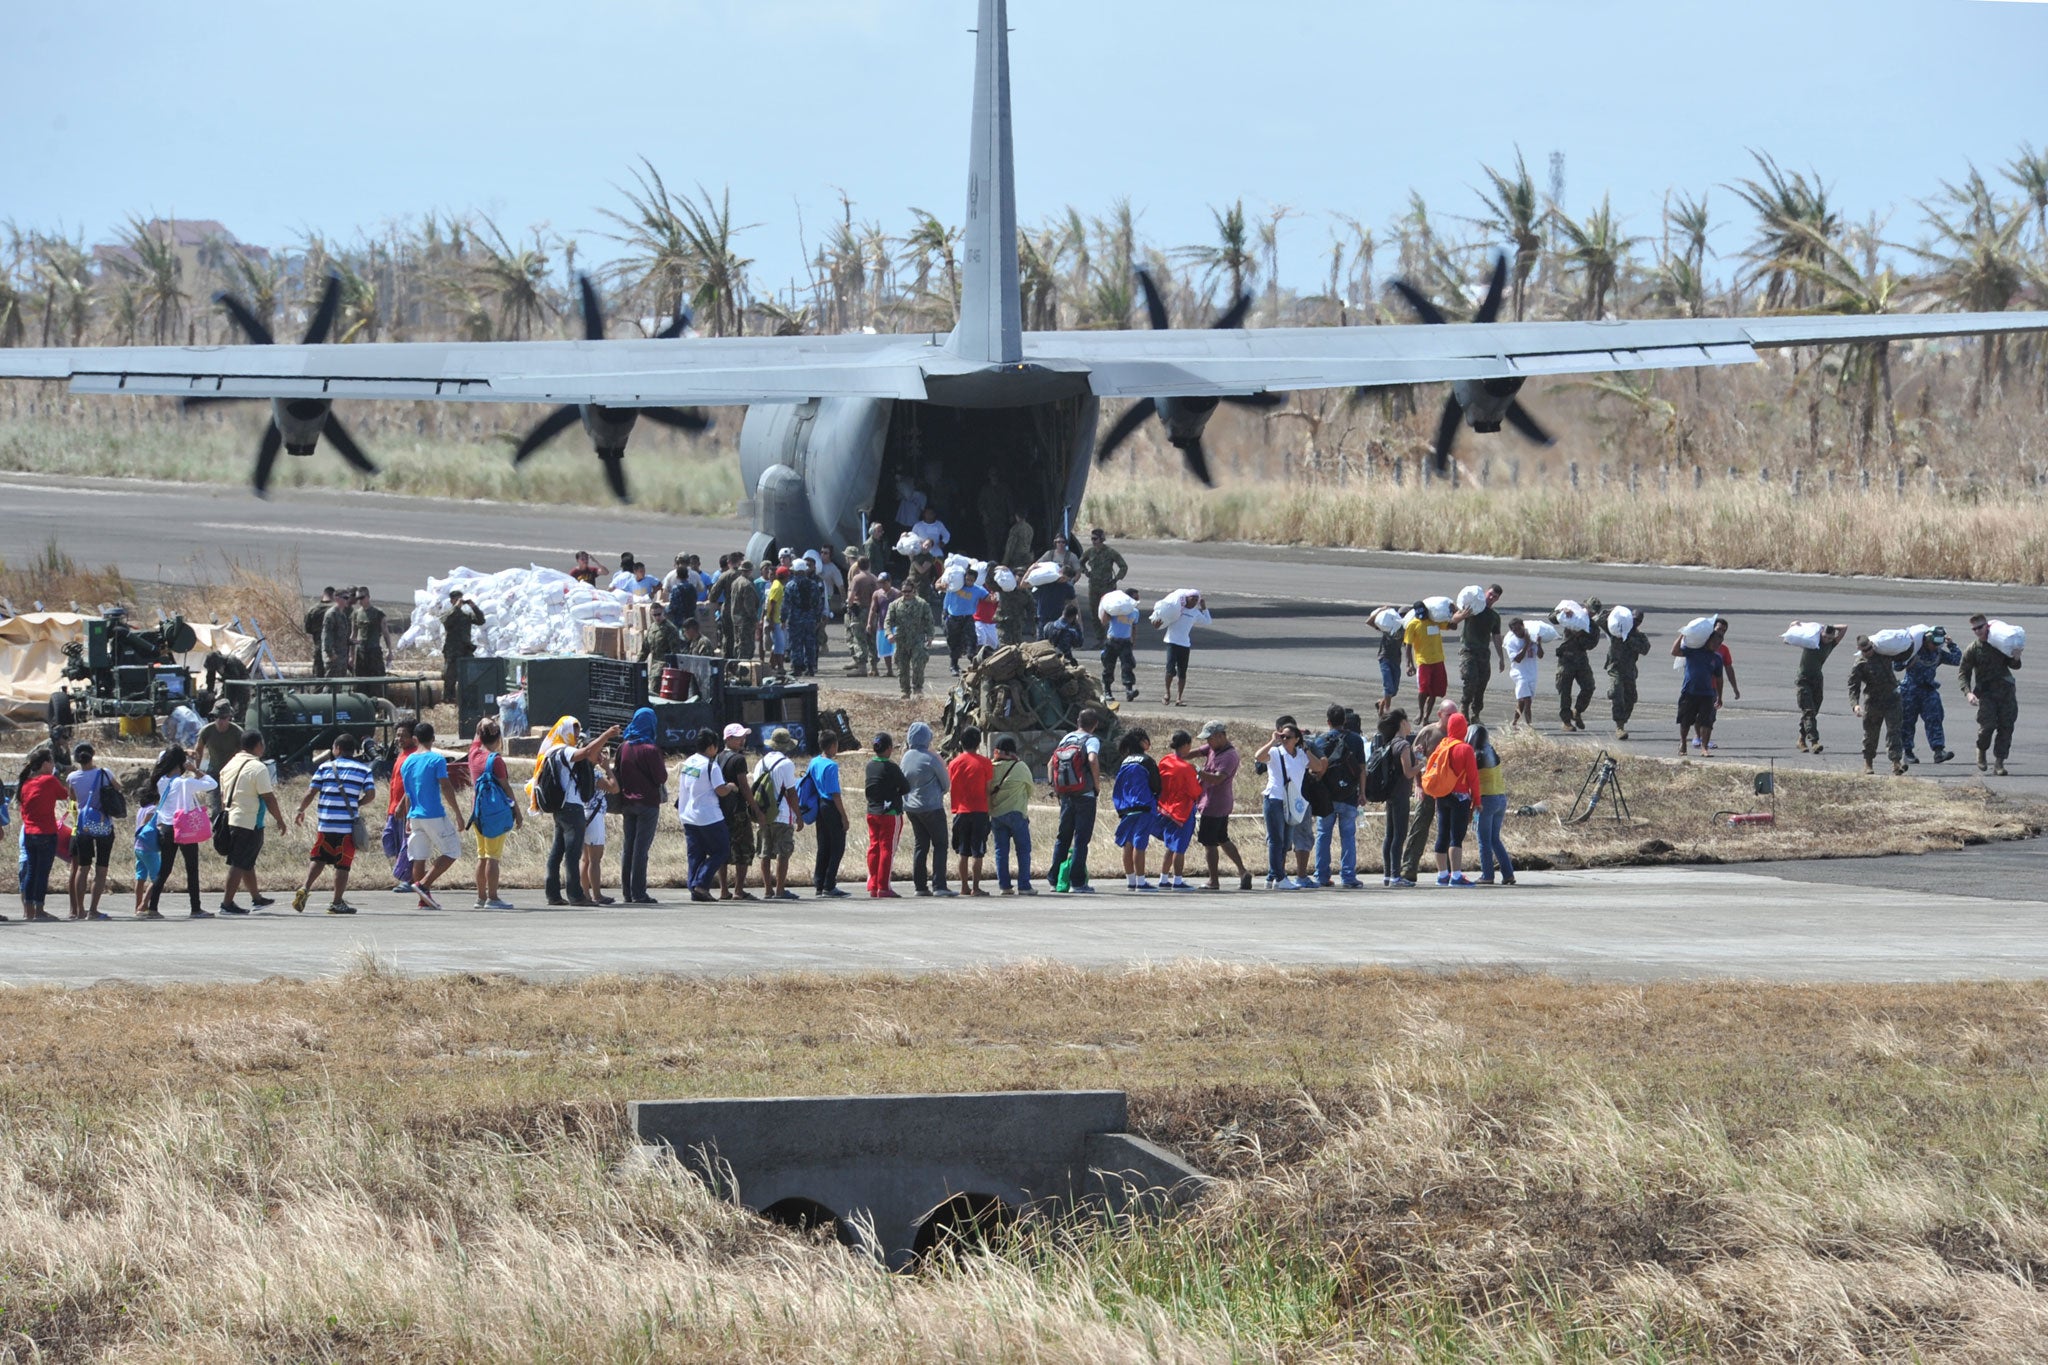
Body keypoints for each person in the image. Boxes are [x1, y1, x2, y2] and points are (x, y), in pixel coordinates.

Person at [531, 717, 615, 907]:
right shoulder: (565, 750)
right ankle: (576, 895)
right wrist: (607, 735)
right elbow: (586, 752)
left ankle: (553, 894)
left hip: (560, 808)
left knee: (557, 852)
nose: (577, 735)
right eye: (574, 730)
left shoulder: (551, 750)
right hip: (571, 807)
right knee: (572, 853)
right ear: (564, 730)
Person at [292, 732, 374, 914]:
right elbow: (371, 795)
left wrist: (300, 810)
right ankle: (336, 902)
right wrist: (357, 804)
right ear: (354, 751)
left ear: (336, 749)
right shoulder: (364, 770)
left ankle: (305, 887)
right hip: (346, 827)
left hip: (326, 824)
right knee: (342, 865)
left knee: (319, 858)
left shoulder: (324, 768)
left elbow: (310, 793)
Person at [400, 722, 468, 910]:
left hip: (415, 815)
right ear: (433, 738)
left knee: (419, 856)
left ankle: (424, 899)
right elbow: (445, 786)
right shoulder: (436, 759)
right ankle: (424, 884)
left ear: (415, 739)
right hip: (433, 814)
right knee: (453, 850)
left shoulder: (407, 762)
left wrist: (407, 818)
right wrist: (458, 813)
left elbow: (408, 792)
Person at [216, 730, 284, 914]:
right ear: (258, 745)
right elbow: (268, 797)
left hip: (231, 817)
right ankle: (227, 904)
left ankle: (256, 898)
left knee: (246, 861)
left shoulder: (231, 764)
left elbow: (223, 795)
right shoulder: (257, 767)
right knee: (238, 862)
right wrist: (280, 820)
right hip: (248, 821)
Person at [147, 746, 216, 919]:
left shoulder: (161, 781)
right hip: (185, 828)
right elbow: (212, 784)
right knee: (192, 869)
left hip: (167, 828)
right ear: (181, 763)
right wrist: (195, 770)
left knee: (165, 870)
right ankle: (195, 908)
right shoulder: (185, 783)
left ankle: (152, 907)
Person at [1255, 721, 1320, 889]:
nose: (1284, 739)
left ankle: (1274, 877)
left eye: (1287, 737)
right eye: (1282, 736)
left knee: (1286, 842)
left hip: (1292, 802)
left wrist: (1306, 749)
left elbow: (1318, 767)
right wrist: (1272, 741)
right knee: (1276, 840)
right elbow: (1259, 756)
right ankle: (1280, 877)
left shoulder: (1300, 755)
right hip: (1275, 798)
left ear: (1297, 739)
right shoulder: (1276, 752)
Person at [1047, 707, 1105, 895]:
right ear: (1095, 725)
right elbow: (1092, 759)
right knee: (1081, 839)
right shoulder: (1092, 740)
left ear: (1077, 722)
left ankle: (1055, 880)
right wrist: (1096, 785)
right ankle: (1077, 882)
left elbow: (1050, 763)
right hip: (1085, 795)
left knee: (1062, 837)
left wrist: (1055, 787)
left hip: (1066, 795)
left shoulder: (1066, 738)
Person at [466, 718, 522, 910]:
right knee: (493, 857)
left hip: (477, 812)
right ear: (498, 739)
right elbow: (506, 787)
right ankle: (493, 897)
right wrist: (517, 810)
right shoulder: (495, 760)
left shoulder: (473, 754)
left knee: (481, 856)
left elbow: (477, 732)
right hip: (495, 814)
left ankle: (481, 897)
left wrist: (482, 722)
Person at [1399, 707, 1457, 885]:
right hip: (1429, 787)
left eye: (1454, 715)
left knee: (1447, 829)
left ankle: (1448, 868)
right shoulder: (1428, 732)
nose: (1452, 718)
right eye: (1449, 715)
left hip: (1449, 789)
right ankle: (1409, 867)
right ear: (1440, 715)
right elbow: (1416, 758)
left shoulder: (1458, 732)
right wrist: (1418, 784)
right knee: (1420, 826)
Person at [1191, 720, 1251, 891]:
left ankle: (1213, 881)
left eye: (1209, 738)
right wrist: (1178, 756)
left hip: (1214, 804)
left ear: (1220, 736)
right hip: (1216, 802)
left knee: (1210, 844)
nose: (1207, 742)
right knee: (1222, 838)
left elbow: (1218, 779)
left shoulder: (1229, 756)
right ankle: (1242, 871)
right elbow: (1195, 752)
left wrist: (1197, 772)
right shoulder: (1213, 748)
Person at [1310, 705, 1366, 889]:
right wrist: (1362, 793)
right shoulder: (1356, 740)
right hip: (1349, 795)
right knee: (1348, 836)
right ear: (1344, 721)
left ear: (1328, 722)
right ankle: (1349, 876)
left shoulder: (1320, 741)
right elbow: (1362, 770)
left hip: (1326, 796)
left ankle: (1322, 875)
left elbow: (1316, 768)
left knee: (1323, 835)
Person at [616, 707, 667, 904]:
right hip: (648, 803)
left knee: (628, 847)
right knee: (641, 849)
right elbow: (661, 777)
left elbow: (617, 770)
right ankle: (639, 892)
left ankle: (627, 892)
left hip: (627, 802)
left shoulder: (624, 747)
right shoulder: (651, 749)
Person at [1959, 614, 2021, 776]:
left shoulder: (1999, 644)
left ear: (1987, 626)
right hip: (1986, 693)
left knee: (2006, 726)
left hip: (2006, 691)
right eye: (1974, 629)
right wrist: (1968, 693)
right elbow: (1963, 673)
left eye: (1980, 627)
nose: (1978, 631)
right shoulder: (1973, 649)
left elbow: (2014, 665)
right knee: (1987, 727)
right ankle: (1981, 750)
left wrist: (2016, 657)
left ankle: (1999, 763)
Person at [895, 721, 952, 896]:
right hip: (932, 806)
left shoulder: (905, 757)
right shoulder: (931, 757)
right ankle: (939, 885)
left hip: (911, 808)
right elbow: (946, 783)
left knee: (921, 844)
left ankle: (920, 886)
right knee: (940, 844)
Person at [676, 729, 732, 903]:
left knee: (695, 854)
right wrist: (731, 786)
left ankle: (694, 887)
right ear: (711, 747)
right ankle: (701, 883)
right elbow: (721, 791)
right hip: (709, 816)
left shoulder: (689, 762)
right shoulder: (711, 766)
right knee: (722, 850)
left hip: (688, 815)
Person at [64, 742, 117, 920]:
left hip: (83, 825)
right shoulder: (105, 773)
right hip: (103, 823)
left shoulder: (72, 777)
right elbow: (118, 788)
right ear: (93, 755)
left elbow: (72, 798)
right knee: (101, 869)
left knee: (82, 868)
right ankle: (93, 910)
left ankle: (80, 910)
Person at [1428, 712, 1480, 887]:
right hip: (1460, 797)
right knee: (1456, 837)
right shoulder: (1465, 749)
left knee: (1442, 834)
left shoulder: (1442, 745)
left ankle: (1442, 875)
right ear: (1464, 728)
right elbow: (1473, 778)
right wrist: (1477, 801)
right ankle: (1456, 876)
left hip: (1442, 795)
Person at [753, 727, 805, 902]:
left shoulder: (760, 763)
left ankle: (768, 890)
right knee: (784, 852)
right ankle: (780, 889)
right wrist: (799, 815)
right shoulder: (786, 764)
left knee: (765, 852)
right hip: (782, 814)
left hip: (764, 814)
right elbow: (791, 793)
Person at [1897, 628, 1962, 764]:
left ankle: (1939, 751)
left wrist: (1952, 645)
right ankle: (1908, 753)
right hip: (1910, 691)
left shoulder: (1938, 653)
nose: (1935, 647)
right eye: (1934, 643)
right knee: (1907, 722)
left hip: (1928, 690)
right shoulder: (1914, 651)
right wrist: (1905, 658)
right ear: (1926, 640)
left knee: (1935, 719)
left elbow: (1956, 660)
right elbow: (1897, 666)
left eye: (1938, 644)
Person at [15, 748, 66, 922]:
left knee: (31, 872)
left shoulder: (26, 783)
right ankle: (39, 909)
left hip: (29, 833)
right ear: (45, 764)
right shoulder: (49, 781)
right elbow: (64, 794)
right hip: (46, 832)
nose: (52, 765)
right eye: (51, 762)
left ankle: (29, 910)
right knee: (42, 873)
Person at [714, 724, 762, 899]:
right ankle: (739, 890)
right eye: (738, 737)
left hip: (720, 810)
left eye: (743, 737)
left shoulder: (717, 758)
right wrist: (755, 808)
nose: (742, 740)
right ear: (728, 739)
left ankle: (723, 889)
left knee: (723, 850)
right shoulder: (738, 759)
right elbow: (744, 786)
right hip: (738, 811)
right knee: (744, 849)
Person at [1373, 710, 1420, 888]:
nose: (1409, 724)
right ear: (1402, 723)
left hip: (1390, 793)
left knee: (1389, 835)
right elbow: (1408, 772)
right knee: (1399, 836)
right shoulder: (1403, 745)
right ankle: (1395, 876)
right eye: (1407, 721)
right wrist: (1421, 765)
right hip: (1401, 794)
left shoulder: (1391, 743)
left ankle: (1387, 875)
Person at [1110, 728, 1161, 891]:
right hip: (1144, 805)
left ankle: (1131, 881)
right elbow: (1157, 785)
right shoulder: (1147, 761)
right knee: (1140, 843)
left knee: (1128, 843)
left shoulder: (1125, 761)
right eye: (1147, 740)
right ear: (1141, 742)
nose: (1149, 743)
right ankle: (1141, 881)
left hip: (1126, 807)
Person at [1847, 636, 1906, 776]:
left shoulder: (1884, 653)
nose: (1868, 652)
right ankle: (1868, 763)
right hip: (1873, 702)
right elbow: (1853, 686)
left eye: (1869, 648)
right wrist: (1854, 705)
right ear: (1860, 650)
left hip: (1892, 699)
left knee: (1894, 731)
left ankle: (1896, 763)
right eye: (1865, 650)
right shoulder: (1860, 664)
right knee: (1871, 734)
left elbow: (1901, 654)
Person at [947, 725, 994, 896]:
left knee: (962, 852)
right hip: (980, 810)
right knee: (978, 852)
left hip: (960, 811)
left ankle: (963, 886)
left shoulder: (953, 763)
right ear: (978, 743)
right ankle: (975, 887)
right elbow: (988, 788)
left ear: (961, 742)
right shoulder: (985, 763)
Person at [987, 733, 1035, 896]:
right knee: (1023, 850)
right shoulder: (1020, 767)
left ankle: (1004, 886)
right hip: (1016, 812)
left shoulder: (990, 767)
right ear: (1011, 752)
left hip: (996, 814)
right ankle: (1024, 885)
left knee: (1001, 850)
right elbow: (1030, 790)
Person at [1450, 585, 1506, 721]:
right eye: (1491, 594)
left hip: (1483, 653)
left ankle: (1476, 714)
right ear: (1486, 592)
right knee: (1470, 679)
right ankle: (1464, 707)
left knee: (1482, 684)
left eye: (1495, 597)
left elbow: (1497, 637)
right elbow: (1454, 619)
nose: (1492, 598)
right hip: (1468, 650)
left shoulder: (1494, 616)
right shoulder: (1473, 607)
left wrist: (1501, 658)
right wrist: (1462, 615)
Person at [1791, 622, 1849, 754]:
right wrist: (1797, 625)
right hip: (1803, 679)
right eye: (1825, 637)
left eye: (1829, 637)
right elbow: (1792, 636)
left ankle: (1801, 738)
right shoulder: (1811, 641)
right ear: (1820, 634)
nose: (1827, 639)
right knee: (1809, 711)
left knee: (1814, 710)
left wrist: (1829, 626)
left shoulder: (1831, 644)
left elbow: (1844, 627)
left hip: (1817, 679)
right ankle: (1814, 741)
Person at [1154, 730, 1201, 891]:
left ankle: (1164, 877)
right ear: (1186, 745)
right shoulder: (1186, 768)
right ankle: (1178, 880)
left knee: (1171, 845)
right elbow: (1195, 792)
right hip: (1182, 810)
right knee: (1179, 847)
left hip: (1164, 807)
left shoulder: (1165, 760)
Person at [1470, 722, 1516, 886]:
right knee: (1495, 839)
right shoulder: (1492, 751)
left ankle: (1487, 875)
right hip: (1500, 798)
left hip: (1486, 799)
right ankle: (1508, 874)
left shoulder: (1477, 755)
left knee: (1483, 840)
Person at [863, 732, 908, 898]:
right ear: (888, 748)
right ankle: (884, 886)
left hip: (872, 811)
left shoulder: (870, 766)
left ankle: (873, 883)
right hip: (890, 812)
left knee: (874, 846)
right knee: (887, 849)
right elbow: (906, 787)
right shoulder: (891, 767)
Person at [807, 730, 851, 897]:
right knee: (837, 846)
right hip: (830, 805)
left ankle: (819, 883)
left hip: (819, 805)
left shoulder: (814, 762)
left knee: (823, 845)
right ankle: (829, 884)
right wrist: (844, 816)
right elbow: (835, 793)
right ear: (833, 746)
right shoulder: (831, 766)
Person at [1673, 630, 1725, 756]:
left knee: (1707, 722)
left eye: (1719, 644)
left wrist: (1719, 697)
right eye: (1714, 642)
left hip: (1707, 694)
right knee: (1685, 721)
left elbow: (1719, 679)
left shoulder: (1717, 658)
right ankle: (1683, 743)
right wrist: (1682, 635)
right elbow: (1674, 652)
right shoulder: (1693, 651)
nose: (1716, 646)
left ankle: (1704, 748)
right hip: (1689, 692)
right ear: (1708, 640)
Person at [1693, 618, 1741, 751]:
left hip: (1712, 688)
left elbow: (1729, 668)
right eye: (1719, 629)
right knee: (1697, 715)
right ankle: (1697, 737)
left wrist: (1735, 688)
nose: (1721, 632)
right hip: (1697, 685)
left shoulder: (1724, 650)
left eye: (1724, 630)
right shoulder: (1700, 644)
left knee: (1709, 716)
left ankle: (1704, 740)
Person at [1604, 608, 1652, 740]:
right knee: (1617, 692)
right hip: (1615, 668)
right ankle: (1619, 727)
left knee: (1630, 698)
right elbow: (1599, 619)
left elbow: (1645, 649)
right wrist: (1612, 612)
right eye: (1634, 619)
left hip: (1629, 670)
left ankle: (1623, 721)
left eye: (1639, 620)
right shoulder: (1616, 630)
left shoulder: (1638, 636)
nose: (1636, 622)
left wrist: (1630, 637)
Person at [1551, 606, 1599, 732]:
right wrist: (1561, 612)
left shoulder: (1592, 626)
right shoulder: (1573, 616)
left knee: (1589, 686)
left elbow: (1591, 644)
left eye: (1593, 611)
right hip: (1566, 659)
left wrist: (1579, 635)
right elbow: (1552, 618)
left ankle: (1577, 710)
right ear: (1585, 607)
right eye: (1589, 609)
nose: (1590, 613)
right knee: (1564, 690)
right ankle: (1566, 721)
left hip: (1581, 660)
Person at [884, 581, 936, 697]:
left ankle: (917, 689)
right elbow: (888, 621)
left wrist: (930, 636)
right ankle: (905, 690)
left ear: (914, 590)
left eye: (908, 591)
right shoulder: (895, 605)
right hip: (901, 639)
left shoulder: (922, 604)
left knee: (918, 665)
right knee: (902, 667)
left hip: (917, 639)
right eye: (904, 591)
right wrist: (888, 634)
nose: (906, 594)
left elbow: (929, 621)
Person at [1160, 593, 1211, 707]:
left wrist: (1204, 608)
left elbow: (1208, 621)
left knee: (1182, 672)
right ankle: (1167, 693)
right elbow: (1164, 616)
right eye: (1192, 599)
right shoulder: (1178, 609)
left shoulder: (1195, 613)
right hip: (1171, 642)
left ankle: (1179, 698)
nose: (1194, 602)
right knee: (1170, 670)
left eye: (1196, 600)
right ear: (1187, 599)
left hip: (1184, 644)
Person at [1081, 528, 1129, 647]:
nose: (1093, 541)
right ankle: (1100, 639)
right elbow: (1080, 562)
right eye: (1092, 539)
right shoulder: (1090, 552)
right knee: (1094, 613)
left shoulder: (1110, 552)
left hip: (1107, 587)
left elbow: (1123, 566)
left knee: (1110, 612)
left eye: (1095, 539)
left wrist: (1116, 578)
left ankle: (1111, 637)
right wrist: (1086, 572)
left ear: (1101, 539)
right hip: (1094, 587)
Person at [1403, 605, 1448, 724]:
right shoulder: (1413, 624)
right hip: (1423, 662)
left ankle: (1426, 717)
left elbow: (1452, 626)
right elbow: (1408, 646)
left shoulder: (1435, 620)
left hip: (1438, 660)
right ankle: (1421, 711)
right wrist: (1409, 664)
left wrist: (1455, 613)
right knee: (1423, 689)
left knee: (1434, 691)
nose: (1422, 617)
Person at [784, 560, 826, 677]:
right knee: (810, 643)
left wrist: (783, 618)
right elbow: (818, 603)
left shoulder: (790, 585)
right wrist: (818, 618)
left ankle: (797, 667)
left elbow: (786, 604)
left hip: (795, 619)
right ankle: (810, 668)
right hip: (810, 618)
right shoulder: (813, 584)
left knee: (796, 643)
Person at [943, 566, 987, 675]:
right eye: (967, 579)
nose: (969, 582)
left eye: (971, 580)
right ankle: (954, 665)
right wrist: (944, 611)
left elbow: (987, 597)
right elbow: (947, 597)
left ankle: (974, 663)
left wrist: (993, 598)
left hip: (968, 618)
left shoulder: (978, 590)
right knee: (954, 642)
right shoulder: (956, 586)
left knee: (971, 640)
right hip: (954, 618)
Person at [196, 707, 245, 806]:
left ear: (229, 717)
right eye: (216, 717)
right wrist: (197, 769)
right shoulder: (207, 731)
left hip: (232, 773)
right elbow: (198, 750)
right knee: (215, 808)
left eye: (223, 717)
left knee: (231, 806)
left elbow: (244, 753)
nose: (219, 720)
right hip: (214, 773)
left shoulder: (237, 732)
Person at [441, 590, 485, 692]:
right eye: (456, 599)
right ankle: (449, 697)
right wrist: (456, 607)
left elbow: (481, 621)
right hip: (452, 649)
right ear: (451, 601)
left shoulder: (466, 615)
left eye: (460, 599)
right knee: (450, 675)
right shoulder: (447, 614)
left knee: (470, 674)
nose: (459, 601)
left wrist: (473, 607)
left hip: (465, 648)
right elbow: (447, 622)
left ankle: (468, 696)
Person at [1099, 593, 1139, 701]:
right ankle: (1107, 691)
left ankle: (1129, 691)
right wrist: (1105, 608)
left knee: (1128, 666)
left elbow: (1134, 627)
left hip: (1125, 642)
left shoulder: (1135, 612)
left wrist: (1132, 641)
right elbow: (1103, 622)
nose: (1136, 601)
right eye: (1135, 598)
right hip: (1112, 641)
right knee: (1108, 667)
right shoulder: (1115, 610)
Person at [845, 556, 880, 676]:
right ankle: (874, 667)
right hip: (872, 610)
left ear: (858, 566)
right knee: (872, 638)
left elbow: (851, 596)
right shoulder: (874, 578)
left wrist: (849, 606)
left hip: (860, 610)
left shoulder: (857, 578)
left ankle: (862, 667)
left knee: (859, 638)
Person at [1505, 618, 1541, 731]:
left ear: (1523, 626)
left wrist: (1538, 644)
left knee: (1522, 702)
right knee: (1527, 701)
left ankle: (1514, 722)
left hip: (1531, 673)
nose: (1517, 631)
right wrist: (1526, 644)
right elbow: (1518, 659)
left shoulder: (1532, 638)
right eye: (1514, 630)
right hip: (1519, 674)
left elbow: (1540, 655)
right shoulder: (1511, 642)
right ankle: (1530, 726)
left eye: (1519, 628)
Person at [352, 587, 390, 684]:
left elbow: (385, 633)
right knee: (360, 681)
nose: (360, 601)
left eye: (362, 598)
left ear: (368, 597)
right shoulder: (356, 614)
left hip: (374, 651)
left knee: (376, 680)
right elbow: (354, 635)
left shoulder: (378, 614)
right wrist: (351, 655)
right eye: (358, 599)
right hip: (361, 651)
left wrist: (389, 650)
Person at [727, 560, 762, 661]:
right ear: (750, 570)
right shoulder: (747, 585)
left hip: (736, 618)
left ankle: (737, 665)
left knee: (738, 644)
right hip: (745, 621)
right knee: (746, 646)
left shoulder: (736, 582)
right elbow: (749, 606)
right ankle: (743, 669)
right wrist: (755, 620)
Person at [868, 574, 898, 678]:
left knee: (897, 649)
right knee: (885, 650)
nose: (882, 585)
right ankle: (889, 670)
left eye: (883, 582)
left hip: (895, 625)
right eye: (880, 583)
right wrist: (869, 623)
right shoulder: (877, 594)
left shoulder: (896, 593)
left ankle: (900, 670)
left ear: (889, 582)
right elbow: (873, 609)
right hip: (882, 625)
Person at [997, 569, 1036, 648]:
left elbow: (1031, 609)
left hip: (1017, 623)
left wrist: (1032, 626)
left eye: (1023, 575)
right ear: (1014, 577)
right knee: (1004, 645)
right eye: (1019, 575)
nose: (1021, 577)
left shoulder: (1026, 593)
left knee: (1018, 646)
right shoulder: (1005, 588)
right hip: (1004, 621)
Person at [322, 587, 356, 677]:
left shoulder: (342, 614)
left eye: (348, 598)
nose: (347, 600)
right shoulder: (331, 614)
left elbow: (341, 636)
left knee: (340, 687)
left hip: (342, 658)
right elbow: (327, 636)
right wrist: (331, 654)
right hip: (334, 658)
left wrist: (351, 642)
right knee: (331, 687)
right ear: (337, 599)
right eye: (345, 598)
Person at [1034, 563, 1078, 632]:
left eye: (1066, 580)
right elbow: (1024, 585)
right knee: (1041, 641)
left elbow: (1074, 604)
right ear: (1059, 573)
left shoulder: (1068, 587)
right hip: (1043, 617)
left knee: (1055, 640)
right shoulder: (1046, 581)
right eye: (1063, 578)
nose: (1063, 580)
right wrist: (1030, 569)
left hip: (1057, 619)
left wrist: (1079, 624)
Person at [305, 586, 336, 677]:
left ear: (323, 594)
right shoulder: (336, 610)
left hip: (319, 646)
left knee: (318, 676)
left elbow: (308, 629)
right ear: (334, 596)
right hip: (333, 648)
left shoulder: (313, 610)